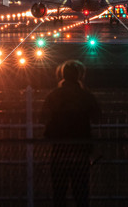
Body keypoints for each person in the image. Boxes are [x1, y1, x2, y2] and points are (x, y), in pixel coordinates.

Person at [40, 60, 101, 207]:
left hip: (59, 150)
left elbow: (42, 118)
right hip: (81, 150)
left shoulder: (54, 96)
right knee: (81, 193)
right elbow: (97, 118)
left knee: (59, 193)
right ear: (79, 76)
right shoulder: (86, 96)